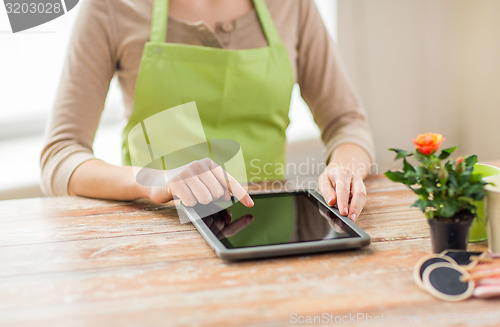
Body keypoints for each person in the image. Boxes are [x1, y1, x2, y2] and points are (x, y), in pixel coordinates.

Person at [41, 0, 375, 222]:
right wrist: (151, 181)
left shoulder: (291, 5)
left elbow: (346, 122)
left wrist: (345, 170)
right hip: (155, 237)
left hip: (268, 232)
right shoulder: (112, 8)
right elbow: (59, 155)